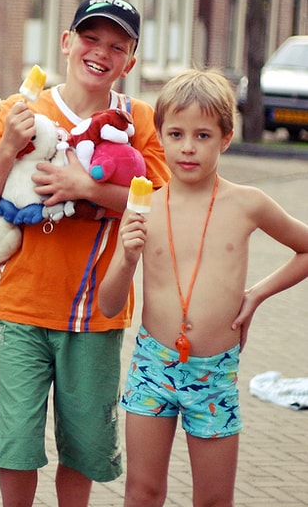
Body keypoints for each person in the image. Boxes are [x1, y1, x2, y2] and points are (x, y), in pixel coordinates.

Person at [0, 0, 171, 507]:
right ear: (66, 42)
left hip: (96, 312)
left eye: (116, 45)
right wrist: (9, 147)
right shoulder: (20, 110)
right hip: (21, 306)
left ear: (132, 59)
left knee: (81, 448)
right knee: (16, 444)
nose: (100, 52)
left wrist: (87, 188)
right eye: (90, 37)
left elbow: (162, 205)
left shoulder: (138, 119)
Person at [97, 69, 308, 506]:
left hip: (215, 373)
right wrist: (126, 256)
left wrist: (256, 295)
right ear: (160, 136)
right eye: (176, 133)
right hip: (153, 366)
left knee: (213, 498)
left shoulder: (248, 203)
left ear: (226, 138)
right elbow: (107, 304)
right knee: (142, 491)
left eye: (203, 135)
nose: (188, 147)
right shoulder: (145, 207)